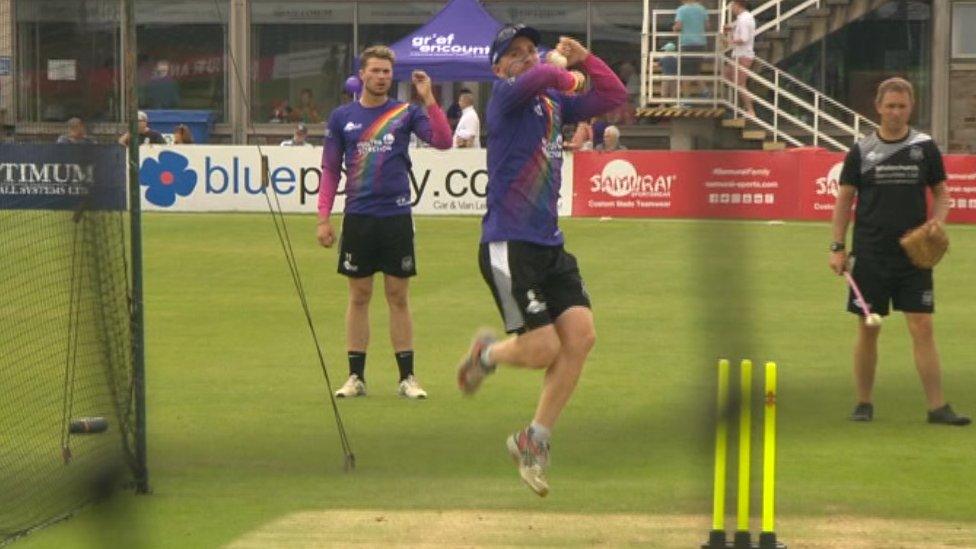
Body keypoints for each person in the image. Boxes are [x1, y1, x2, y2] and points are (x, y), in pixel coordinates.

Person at [455, 24, 627, 497]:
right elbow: (536, 81)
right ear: (497, 68)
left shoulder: (554, 104)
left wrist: (586, 59)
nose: (527, 58)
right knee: (543, 349)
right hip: (509, 244)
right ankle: (485, 355)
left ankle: (535, 439)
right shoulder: (505, 97)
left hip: (550, 245)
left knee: (581, 337)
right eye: (515, 53)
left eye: (532, 50)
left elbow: (613, 94)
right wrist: (557, 68)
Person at [829, 77, 970, 426]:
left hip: (913, 256)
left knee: (922, 326)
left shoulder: (925, 147)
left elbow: (941, 193)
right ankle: (863, 403)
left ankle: (937, 407)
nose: (895, 112)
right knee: (868, 327)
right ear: (878, 107)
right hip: (871, 255)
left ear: (911, 107)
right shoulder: (861, 151)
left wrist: (936, 223)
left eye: (901, 106)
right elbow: (845, 200)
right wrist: (837, 247)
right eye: (889, 106)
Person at [317, 45, 452, 400]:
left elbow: (443, 141)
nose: (381, 77)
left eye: (386, 72)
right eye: (375, 71)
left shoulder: (406, 112)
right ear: (361, 74)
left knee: (398, 296)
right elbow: (331, 170)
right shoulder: (341, 117)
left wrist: (429, 98)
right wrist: (323, 218)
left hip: (396, 217)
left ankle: (407, 377)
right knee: (359, 295)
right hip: (359, 217)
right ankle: (355, 377)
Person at [725, 0, 756, 117]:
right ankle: (745, 102)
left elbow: (744, 38)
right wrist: (732, 30)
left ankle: (750, 110)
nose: (731, 8)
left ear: (738, 5)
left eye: (732, 5)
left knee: (739, 83)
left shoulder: (744, 19)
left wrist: (730, 41)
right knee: (727, 75)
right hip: (739, 54)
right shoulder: (744, 18)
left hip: (743, 54)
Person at [673, 0, 709, 99]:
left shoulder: (681, 10)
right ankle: (704, 91)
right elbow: (707, 26)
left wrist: (674, 28)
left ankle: (686, 99)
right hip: (701, 43)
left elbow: (678, 26)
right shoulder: (702, 9)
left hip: (687, 43)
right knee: (695, 70)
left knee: (685, 73)